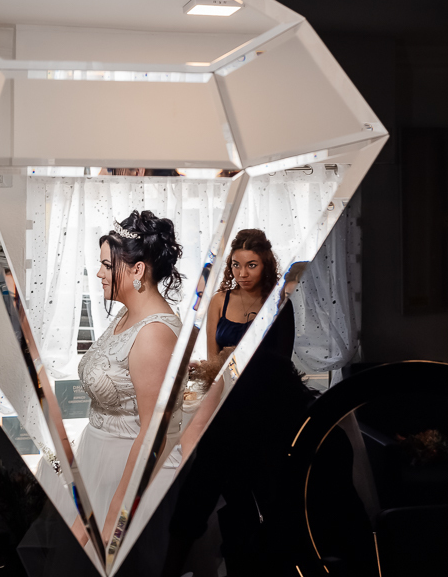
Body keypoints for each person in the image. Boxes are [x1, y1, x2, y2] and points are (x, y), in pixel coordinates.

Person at [38, 209, 185, 548]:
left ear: (138, 270)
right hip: (97, 457)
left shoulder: (154, 333)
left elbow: (152, 434)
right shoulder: (126, 314)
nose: (100, 273)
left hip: (126, 473)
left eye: (107, 265)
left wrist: (114, 519)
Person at [205, 229, 281, 356]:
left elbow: (283, 357)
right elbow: (212, 359)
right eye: (236, 265)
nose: (242, 274)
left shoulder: (277, 301)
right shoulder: (219, 301)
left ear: (266, 266)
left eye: (251, 265)